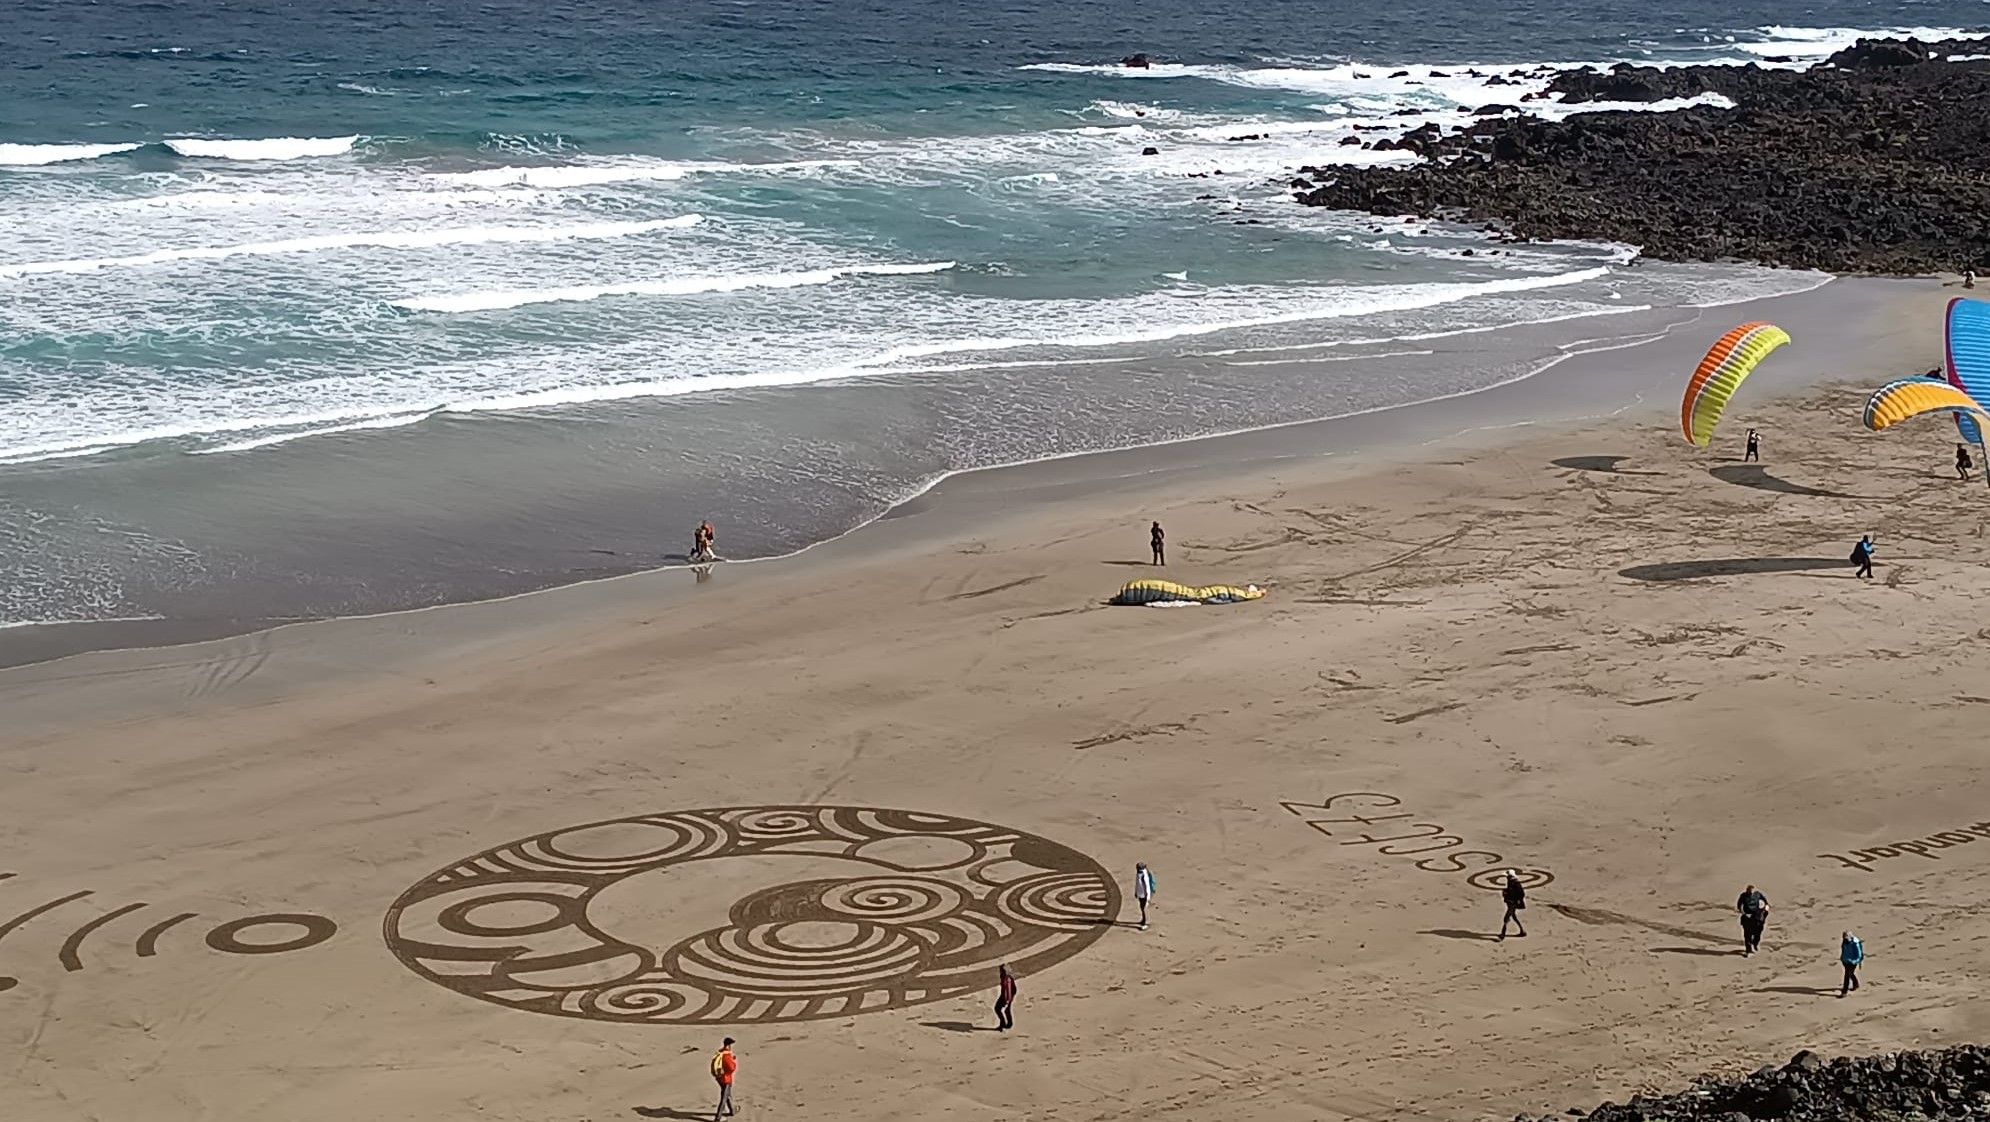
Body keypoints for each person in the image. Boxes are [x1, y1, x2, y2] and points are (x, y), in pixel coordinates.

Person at [1736, 884, 1770, 956]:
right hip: (1747, 917)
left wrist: (1765, 911)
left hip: (1757, 917)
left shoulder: (1758, 894)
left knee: (1757, 933)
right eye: (1748, 891)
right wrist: (1745, 914)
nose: (1750, 892)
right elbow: (1739, 906)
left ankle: (1755, 944)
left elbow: (1766, 903)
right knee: (1747, 934)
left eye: (1751, 891)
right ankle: (1748, 950)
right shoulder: (1743, 896)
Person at [710, 1037, 738, 1119]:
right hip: (726, 1079)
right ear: (729, 1045)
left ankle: (732, 1111)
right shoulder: (727, 1054)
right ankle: (718, 1117)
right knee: (724, 1098)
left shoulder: (720, 1052)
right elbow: (731, 1068)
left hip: (719, 1078)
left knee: (727, 1095)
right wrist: (734, 1062)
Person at [1498, 870, 1527, 940]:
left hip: (1512, 903)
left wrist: (1512, 897)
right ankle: (1522, 931)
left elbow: (1521, 894)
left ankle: (1502, 935)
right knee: (1513, 916)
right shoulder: (1511, 882)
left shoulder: (1516, 883)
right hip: (1511, 902)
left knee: (1506, 918)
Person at [1839, 931, 1864, 996]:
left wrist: (1854, 961)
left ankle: (1844, 992)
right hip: (1845, 961)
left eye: (1846, 937)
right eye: (1844, 937)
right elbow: (1843, 950)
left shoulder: (1855, 943)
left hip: (1852, 962)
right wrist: (1842, 958)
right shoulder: (1844, 942)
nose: (1845, 939)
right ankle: (1856, 984)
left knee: (1847, 975)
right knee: (1850, 973)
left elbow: (1859, 955)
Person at [1133, 862, 1156, 929]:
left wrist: (1148, 897)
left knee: (1144, 908)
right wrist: (1136, 892)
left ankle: (1145, 923)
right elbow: (1137, 884)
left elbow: (1147, 886)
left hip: (1144, 895)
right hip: (1140, 894)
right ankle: (1143, 920)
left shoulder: (1144, 875)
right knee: (1141, 907)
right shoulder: (1138, 874)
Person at [994, 964, 1017, 1031]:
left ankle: (1003, 1023)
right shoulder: (1008, 977)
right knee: (1006, 1010)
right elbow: (1013, 989)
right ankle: (1009, 1024)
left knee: (997, 1009)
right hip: (1007, 996)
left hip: (1005, 997)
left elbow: (1008, 990)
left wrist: (1007, 1000)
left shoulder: (1006, 979)